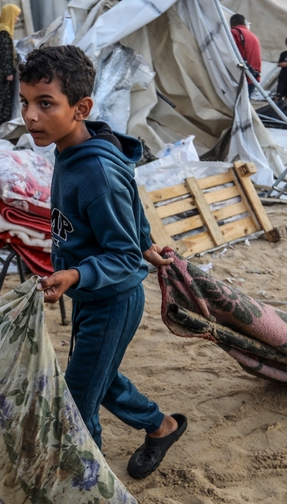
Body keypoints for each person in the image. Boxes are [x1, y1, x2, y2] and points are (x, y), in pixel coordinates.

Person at [19, 45, 187, 480]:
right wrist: (145, 239)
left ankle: (85, 481)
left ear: (81, 108)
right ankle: (162, 427)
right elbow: (131, 202)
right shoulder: (74, 147)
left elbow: (122, 254)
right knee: (99, 376)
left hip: (112, 298)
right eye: (25, 102)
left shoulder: (96, 172)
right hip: (91, 294)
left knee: (78, 399)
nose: (30, 116)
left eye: (45, 104)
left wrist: (77, 272)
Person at [0, 3, 20, 128]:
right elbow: (6, 53)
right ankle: (0, 121)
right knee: (4, 96)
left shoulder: (0, 29)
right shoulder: (4, 32)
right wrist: (8, 72)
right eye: (16, 16)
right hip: (3, 70)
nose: (17, 19)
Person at [230, 14, 261, 97]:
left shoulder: (234, 33)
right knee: (246, 106)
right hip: (253, 76)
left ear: (231, 24)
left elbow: (228, 53)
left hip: (242, 77)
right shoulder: (253, 36)